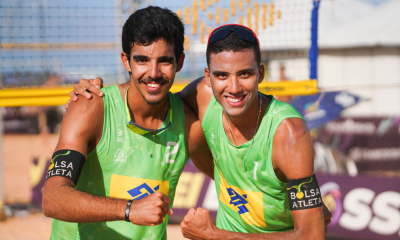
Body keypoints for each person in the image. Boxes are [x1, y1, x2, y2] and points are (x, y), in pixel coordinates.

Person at [69, 24, 332, 239]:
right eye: (221, 76)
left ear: (260, 74)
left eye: (245, 74)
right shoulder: (202, 99)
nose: (234, 88)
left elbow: (310, 236)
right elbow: (149, 96)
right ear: (207, 77)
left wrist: (216, 235)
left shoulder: (289, 133)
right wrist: (94, 95)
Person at [42, 6, 212, 240]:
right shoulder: (91, 107)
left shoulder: (190, 125)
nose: (153, 73)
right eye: (142, 60)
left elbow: (238, 177)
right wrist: (130, 209)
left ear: (180, 62)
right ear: (126, 60)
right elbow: (52, 198)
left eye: (164, 61)